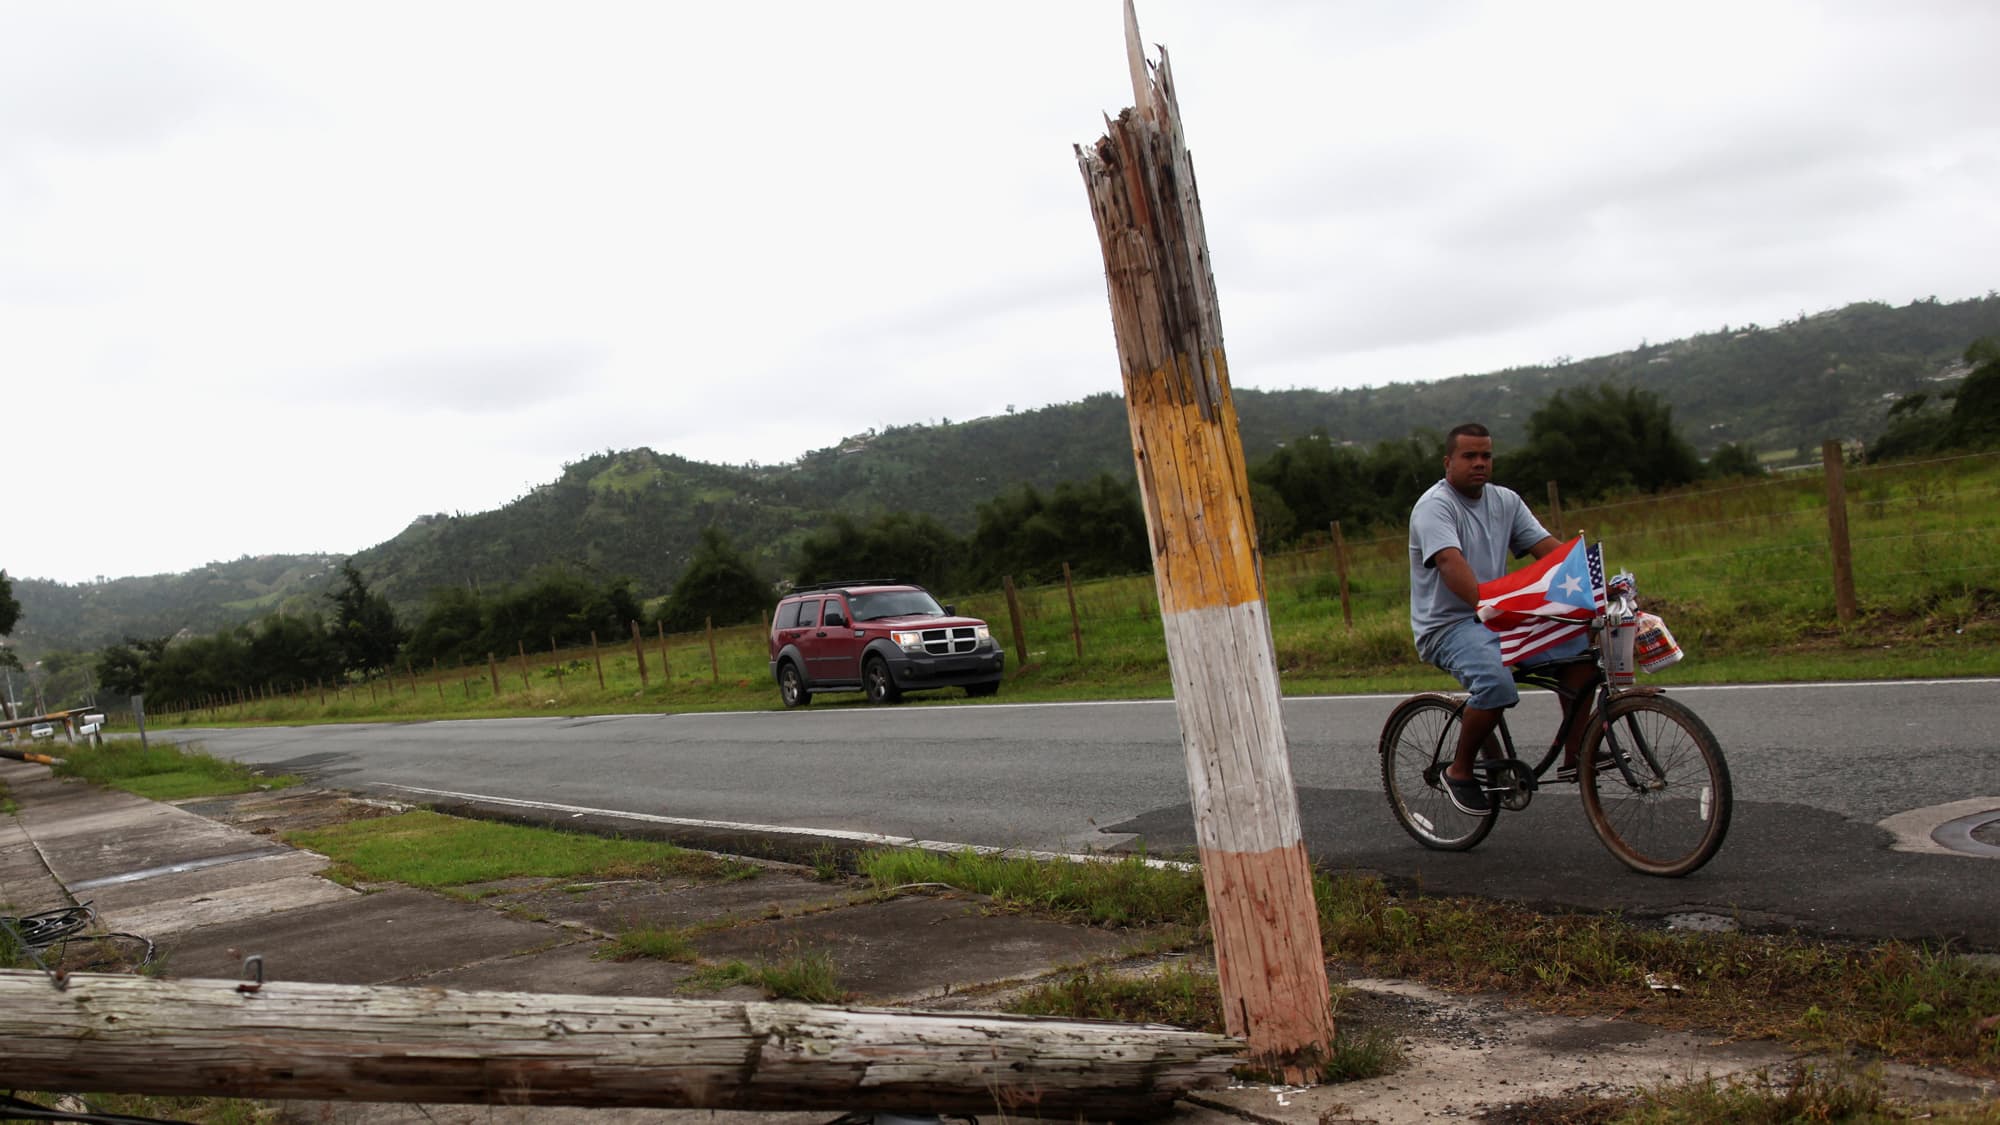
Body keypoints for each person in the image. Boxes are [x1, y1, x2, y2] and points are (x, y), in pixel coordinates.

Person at [1408, 423, 1599, 815]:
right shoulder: (1435, 506)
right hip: (1450, 625)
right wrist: (1488, 604)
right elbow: (1449, 563)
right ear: (1448, 462)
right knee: (1496, 685)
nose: (1479, 463)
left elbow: (1546, 550)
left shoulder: (1505, 501)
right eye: (1469, 456)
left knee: (1581, 651)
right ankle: (1459, 771)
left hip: (1500, 614)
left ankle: (1577, 753)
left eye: (1486, 456)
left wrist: (1592, 585)